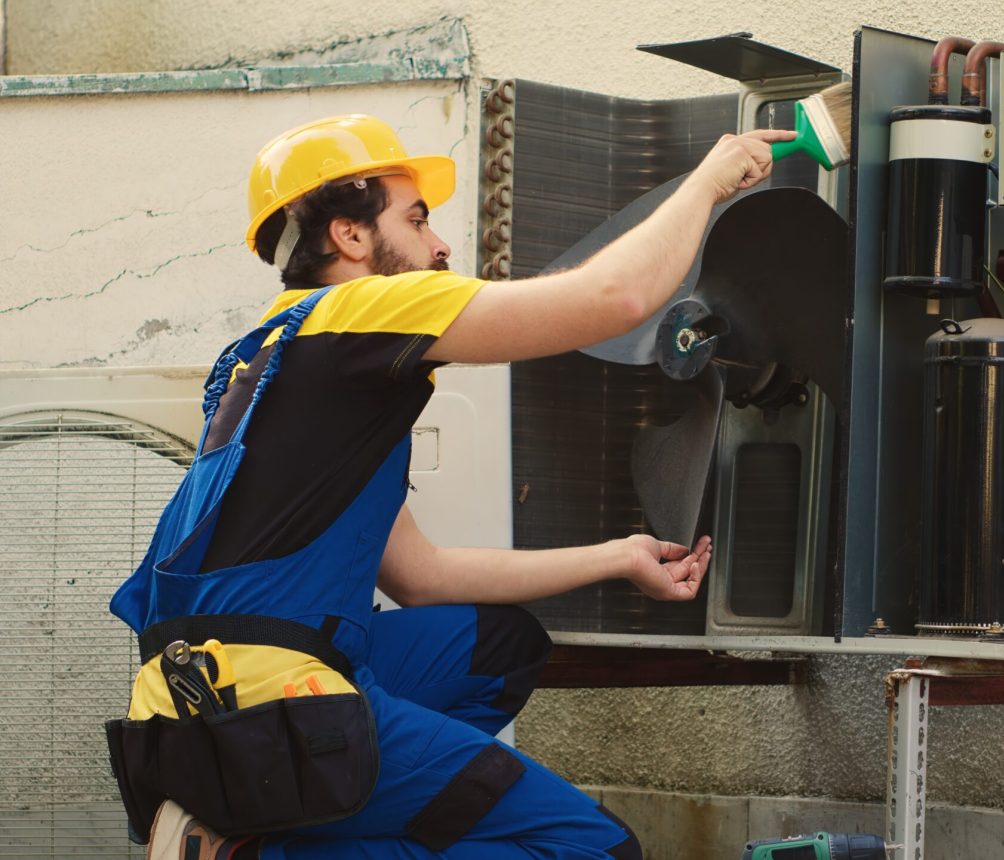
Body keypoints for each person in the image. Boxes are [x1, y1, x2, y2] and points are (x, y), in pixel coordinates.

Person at [108, 113, 794, 859]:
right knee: (595, 849)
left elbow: (423, 578)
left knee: (497, 646)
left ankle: (292, 825)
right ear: (349, 235)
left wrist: (617, 556)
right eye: (416, 217)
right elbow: (618, 299)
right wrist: (712, 179)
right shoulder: (361, 310)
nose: (440, 246)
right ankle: (272, 851)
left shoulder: (265, 357)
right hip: (276, 702)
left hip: (184, 701)